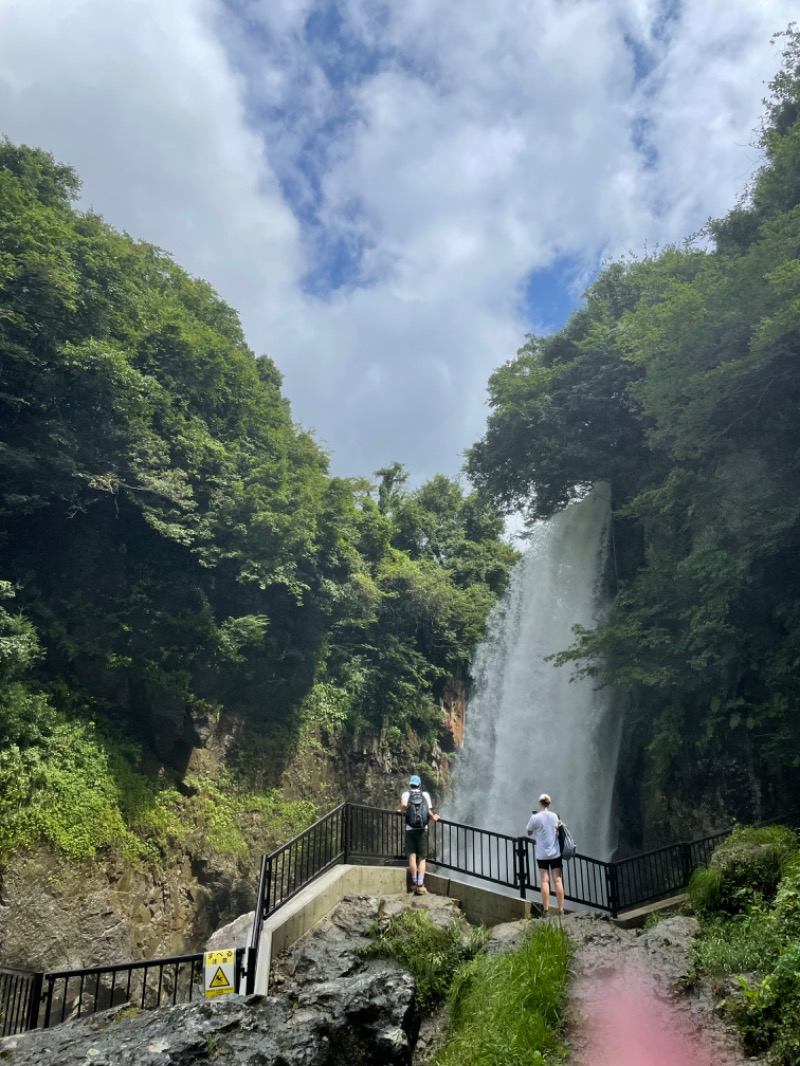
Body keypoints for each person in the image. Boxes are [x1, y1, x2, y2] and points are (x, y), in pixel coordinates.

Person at [398, 774, 440, 895]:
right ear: (419, 784)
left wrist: (401, 812)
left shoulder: (406, 794)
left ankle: (414, 883)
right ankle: (421, 885)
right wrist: (434, 817)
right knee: (422, 857)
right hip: (423, 828)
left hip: (410, 828)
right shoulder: (425, 794)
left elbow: (404, 805)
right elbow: (428, 811)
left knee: (412, 855)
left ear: (410, 784)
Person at [526, 793, 565, 919]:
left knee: (544, 880)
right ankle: (561, 910)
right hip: (555, 853)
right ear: (549, 803)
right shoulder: (555, 816)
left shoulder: (535, 817)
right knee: (558, 880)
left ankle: (546, 911)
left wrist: (533, 818)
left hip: (542, 854)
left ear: (540, 803)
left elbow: (529, 832)